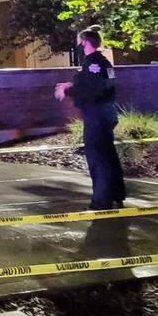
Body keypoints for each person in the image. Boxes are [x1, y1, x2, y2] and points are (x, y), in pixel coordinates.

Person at [55, 29, 125, 210]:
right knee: (108, 156)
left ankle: (102, 201)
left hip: (96, 116)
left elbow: (93, 89)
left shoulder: (93, 63)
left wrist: (67, 90)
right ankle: (116, 193)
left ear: (85, 42)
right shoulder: (103, 62)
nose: (77, 45)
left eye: (79, 41)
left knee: (98, 158)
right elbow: (96, 83)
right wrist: (71, 85)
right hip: (105, 114)